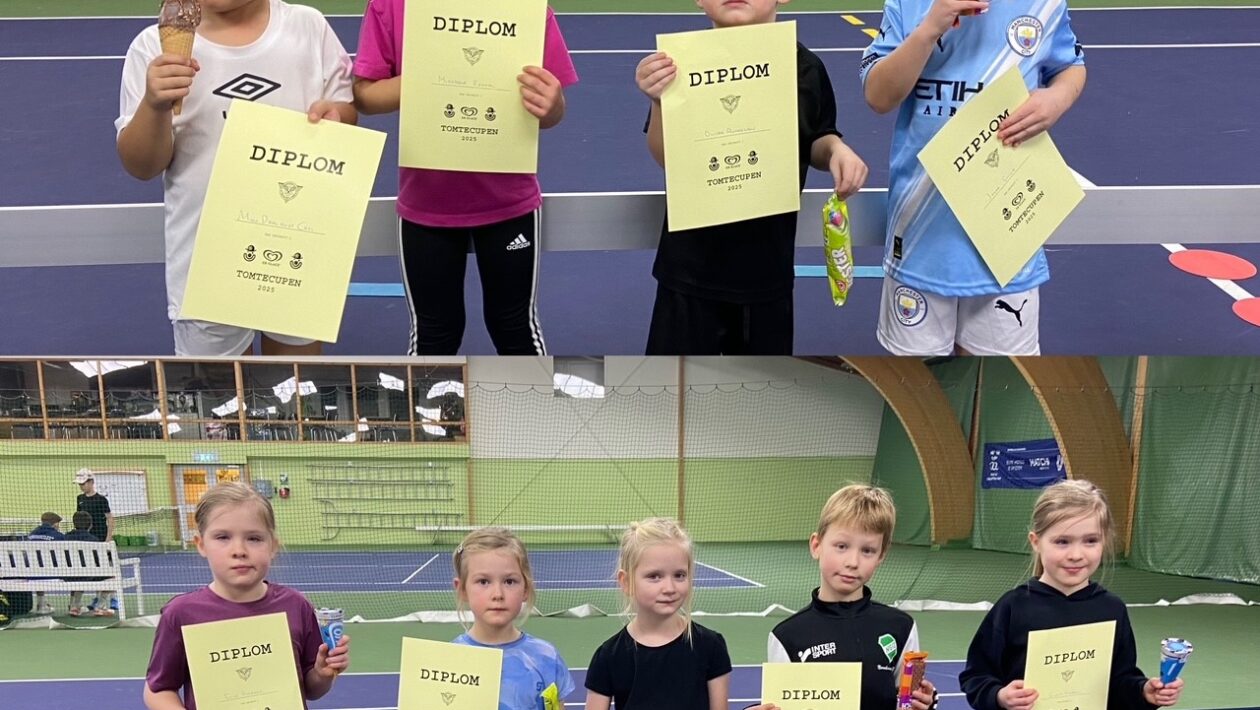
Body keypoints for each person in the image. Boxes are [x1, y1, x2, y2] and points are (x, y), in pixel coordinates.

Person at [115, 0, 356, 356]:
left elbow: (345, 112)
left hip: (296, 247)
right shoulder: (152, 48)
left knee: (295, 381)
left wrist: (338, 117)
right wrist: (154, 104)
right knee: (218, 389)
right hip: (205, 262)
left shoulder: (308, 27)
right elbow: (142, 166)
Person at [635, 0, 868, 355]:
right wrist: (657, 101)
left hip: (767, 273)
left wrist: (836, 148)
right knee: (675, 378)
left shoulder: (806, 68)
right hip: (687, 271)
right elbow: (667, 157)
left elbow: (817, 138)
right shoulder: (679, 66)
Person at [860, 0, 1086, 355]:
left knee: (1001, 377)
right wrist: (930, 28)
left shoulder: (1045, 4)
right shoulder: (908, 4)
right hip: (920, 235)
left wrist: (1057, 98)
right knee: (918, 382)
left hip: (1008, 236)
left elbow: (1071, 66)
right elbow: (878, 96)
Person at [353, 3, 578, 355]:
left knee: (515, 328)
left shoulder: (525, 9)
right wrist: (431, 74)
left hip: (508, 202)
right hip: (426, 204)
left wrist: (552, 105)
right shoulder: (391, 6)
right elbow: (364, 96)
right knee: (433, 335)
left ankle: (532, 392)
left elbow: (552, 110)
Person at [959, 480, 1184, 710]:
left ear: (1104, 541)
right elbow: (976, 677)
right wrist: (999, 696)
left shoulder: (1112, 609)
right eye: (1062, 542)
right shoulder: (1013, 607)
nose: (1076, 554)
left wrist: (1143, 692)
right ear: (1036, 542)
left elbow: (1119, 682)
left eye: (1090, 541)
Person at [143, 482, 349, 709]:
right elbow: (158, 690)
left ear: (273, 546)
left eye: (254, 538)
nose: (239, 550)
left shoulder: (296, 605)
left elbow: (311, 690)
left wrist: (322, 674)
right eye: (223, 537)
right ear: (201, 545)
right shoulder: (180, 614)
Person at [746, 484, 936, 710]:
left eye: (867, 550)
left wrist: (924, 705)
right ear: (816, 545)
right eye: (842, 546)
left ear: (881, 556)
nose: (853, 562)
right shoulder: (787, 636)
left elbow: (907, 702)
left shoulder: (901, 627)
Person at [585, 518, 731, 710]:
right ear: (626, 582)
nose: (669, 588)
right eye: (654, 576)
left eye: (679, 575)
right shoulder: (608, 656)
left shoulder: (711, 647)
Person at [450, 527, 575, 709]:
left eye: (509, 581)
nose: (498, 594)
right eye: (483, 581)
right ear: (462, 589)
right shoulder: (448, 662)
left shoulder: (547, 658)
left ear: (525, 589)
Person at [63, 511, 106, 617]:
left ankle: (74, 605)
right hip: (87, 575)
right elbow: (99, 561)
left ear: (74, 524)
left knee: (77, 573)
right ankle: (100, 606)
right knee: (111, 576)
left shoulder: (64, 538)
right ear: (90, 525)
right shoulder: (93, 540)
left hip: (67, 575)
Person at [27, 512, 66, 615]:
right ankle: (75, 605)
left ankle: (41, 604)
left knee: (38, 567)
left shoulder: (31, 535)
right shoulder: (59, 536)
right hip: (52, 574)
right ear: (55, 524)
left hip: (32, 574)